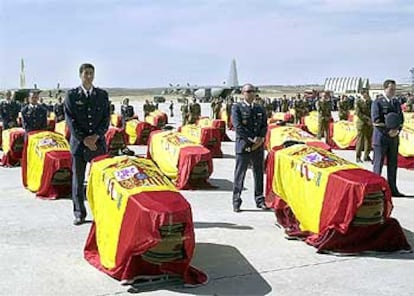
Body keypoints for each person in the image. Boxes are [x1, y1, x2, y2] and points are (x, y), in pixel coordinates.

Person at [64, 63, 110, 225]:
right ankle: (79, 213)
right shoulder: (72, 96)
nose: (89, 76)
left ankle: (101, 209)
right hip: (79, 144)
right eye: (86, 73)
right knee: (78, 179)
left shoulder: (102, 95)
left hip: (98, 144)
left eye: (91, 73)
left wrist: (96, 136)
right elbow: (71, 122)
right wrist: (85, 139)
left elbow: (106, 119)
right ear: (80, 75)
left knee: (100, 179)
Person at [231, 83, 268, 212]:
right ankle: (236, 200)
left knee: (259, 173)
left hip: (258, 146)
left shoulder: (259, 108)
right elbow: (238, 127)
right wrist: (253, 139)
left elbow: (264, 125)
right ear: (243, 93)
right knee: (240, 174)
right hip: (244, 145)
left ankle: (260, 200)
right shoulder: (237, 108)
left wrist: (261, 138)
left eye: (253, 91)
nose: (251, 94)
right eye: (248, 91)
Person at [371, 79, 405, 197]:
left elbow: (401, 119)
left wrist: (397, 131)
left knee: (393, 164)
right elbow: (376, 120)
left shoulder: (396, 103)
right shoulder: (378, 102)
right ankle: (375, 190)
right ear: (385, 89)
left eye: (394, 89)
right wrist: (388, 131)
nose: (393, 91)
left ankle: (393, 189)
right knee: (378, 165)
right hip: (381, 138)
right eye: (391, 89)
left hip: (394, 139)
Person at [355, 90, 373, 162]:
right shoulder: (358, 102)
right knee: (360, 140)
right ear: (362, 94)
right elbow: (358, 113)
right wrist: (367, 120)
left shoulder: (371, 102)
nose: (367, 95)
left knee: (368, 140)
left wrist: (371, 120)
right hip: (362, 123)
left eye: (367, 93)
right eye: (365, 93)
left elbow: (373, 111)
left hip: (369, 124)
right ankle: (358, 157)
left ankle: (366, 156)